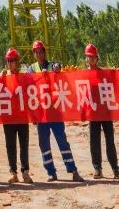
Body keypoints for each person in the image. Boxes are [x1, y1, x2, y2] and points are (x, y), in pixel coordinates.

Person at [29, 38, 82, 183]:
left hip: (55, 111)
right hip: (41, 113)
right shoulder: (31, 69)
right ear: (34, 54)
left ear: (45, 53)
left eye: (41, 52)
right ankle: (51, 172)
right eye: (36, 52)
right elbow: (28, 90)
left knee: (62, 140)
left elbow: (61, 75)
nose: (39, 54)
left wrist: (57, 70)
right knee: (44, 144)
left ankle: (73, 170)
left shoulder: (53, 66)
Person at [83, 45, 119, 180]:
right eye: (89, 56)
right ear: (86, 58)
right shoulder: (83, 75)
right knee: (94, 142)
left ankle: (115, 169)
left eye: (93, 56)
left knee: (110, 141)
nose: (91, 59)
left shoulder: (104, 73)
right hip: (93, 113)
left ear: (97, 58)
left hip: (106, 113)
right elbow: (80, 94)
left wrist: (117, 74)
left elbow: (115, 87)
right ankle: (97, 168)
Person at [0, 47, 32, 185]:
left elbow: (32, 91)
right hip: (9, 117)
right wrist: (1, 78)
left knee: (23, 144)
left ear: (17, 62)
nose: (10, 63)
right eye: (8, 61)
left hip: (22, 116)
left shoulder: (24, 76)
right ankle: (13, 172)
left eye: (13, 60)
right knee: (10, 145)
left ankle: (25, 171)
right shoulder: (3, 76)